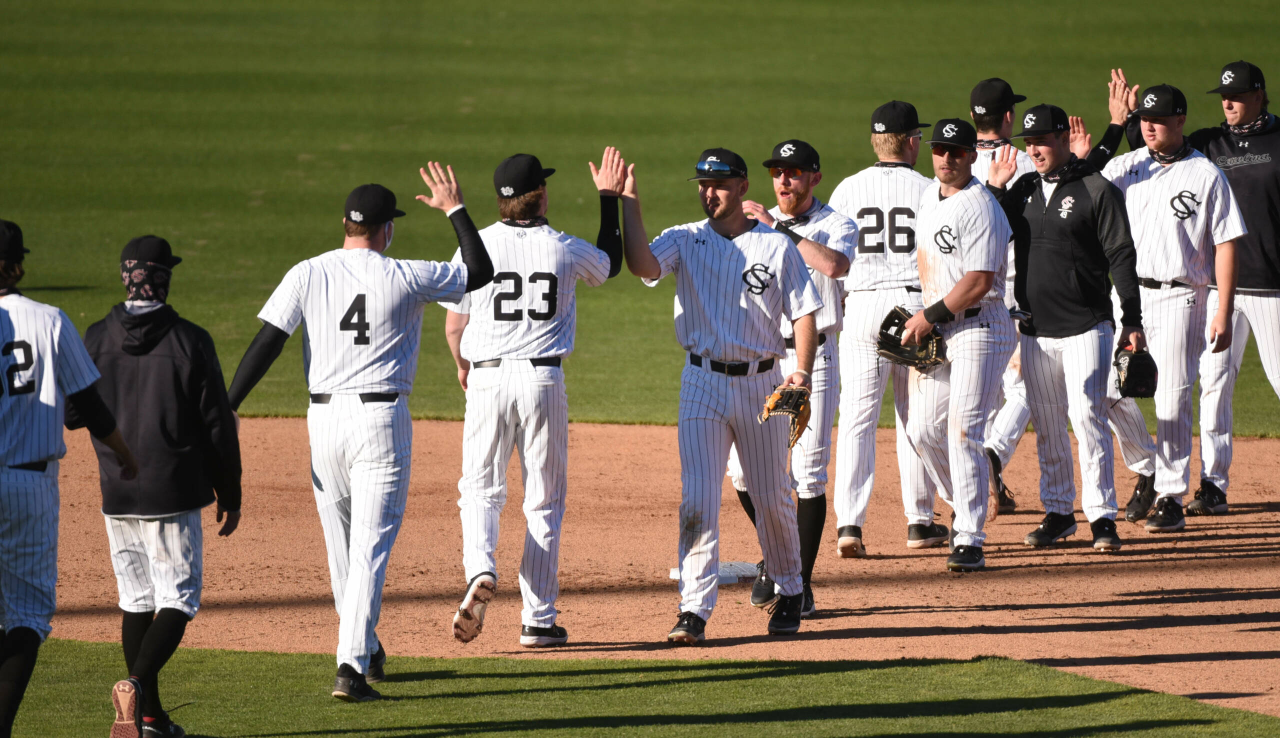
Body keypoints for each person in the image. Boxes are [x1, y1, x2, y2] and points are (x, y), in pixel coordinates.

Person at [226, 172, 494, 701]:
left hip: (322, 422)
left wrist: (229, 404)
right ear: (386, 230)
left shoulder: (307, 272)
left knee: (343, 551)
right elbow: (479, 272)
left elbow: (267, 341)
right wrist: (454, 209)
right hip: (380, 422)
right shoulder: (407, 274)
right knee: (369, 547)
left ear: (346, 225)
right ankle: (349, 667)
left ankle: (366, 647)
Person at [621, 148, 821, 643]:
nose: (710, 193)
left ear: (743, 187)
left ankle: (792, 587)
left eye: (720, 184)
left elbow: (804, 313)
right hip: (701, 383)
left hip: (762, 383)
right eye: (703, 185)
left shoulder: (776, 248)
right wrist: (629, 203)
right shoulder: (684, 239)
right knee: (699, 497)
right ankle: (694, 609)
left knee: (773, 496)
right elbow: (641, 263)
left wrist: (801, 372)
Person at [442, 149, 624, 648]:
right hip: (543, 382)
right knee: (543, 499)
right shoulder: (562, 248)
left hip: (486, 379)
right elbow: (610, 265)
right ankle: (538, 620)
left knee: (479, 488)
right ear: (539, 195)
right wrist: (609, 199)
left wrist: (462, 364)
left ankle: (480, 567)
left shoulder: (473, 247)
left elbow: (455, 321)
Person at [70, 235, 242, 738]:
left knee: (136, 599)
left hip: (116, 492)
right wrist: (228, 492)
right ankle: (135, 685)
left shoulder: (96, 336)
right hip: (173, 492)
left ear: (126, 277)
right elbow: (217, 427)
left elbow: (71, 413)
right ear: (163, 279)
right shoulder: (190, 340)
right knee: (179, 599)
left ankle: (148, 719)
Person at [0, 220, 139, 737]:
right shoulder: (50, 320)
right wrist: (124, 454)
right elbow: (90, 408)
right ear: (17, 266)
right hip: (28, 487)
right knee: (28, 616)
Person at [986, 104, 1144, 552]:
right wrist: (995, 189)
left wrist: (1131, 318)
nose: (1033, 149)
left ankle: (1101, 516)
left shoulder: (1097, 189)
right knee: (1050, 425)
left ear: (1061, 139)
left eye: (1041, 140)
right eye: (1028, 142)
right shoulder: (1023, 190)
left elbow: (1121, 256)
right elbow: (988, 229)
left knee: (1088, 417)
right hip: (1036, 330)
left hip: (1086, 327)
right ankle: (1058, 512)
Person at [1101, 85, 1245, 532]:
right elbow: (1079, 198)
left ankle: (1170, 496)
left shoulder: (1205, 175)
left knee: (1173, 395)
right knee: (1102, 391)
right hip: (1127, 298)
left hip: (1183, 296)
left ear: (1180, 122)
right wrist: (1107, 132)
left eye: (1159, 119)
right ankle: (1147, 465)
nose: (1148, 125)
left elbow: (1226, 243)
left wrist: (1223, 308)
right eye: (1144, 118)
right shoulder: (1125, 167)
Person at [723, 140, 855, 619]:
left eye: (794, 173)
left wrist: (775, 227)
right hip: (761, 360)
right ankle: (779, 557)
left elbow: (835, 265)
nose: (783, 181)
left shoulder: (835, 223)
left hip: (813, 360)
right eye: (777, 172)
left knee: (808, 473)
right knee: (743, 473)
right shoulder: (751, 229)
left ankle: (801, 582)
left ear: (814, 178)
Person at [827, 101, 942, 556]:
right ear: (912, 141)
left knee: (857, 418)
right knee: (914, 416)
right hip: (913, 307)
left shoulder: (847, 189)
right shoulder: (930, 189)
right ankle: (919, 522)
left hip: (861, 307)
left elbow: (832, 261)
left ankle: (849, 526)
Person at [901, 119, 1015, 573]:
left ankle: (969, 535)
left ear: (972, 155)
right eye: (940, 150)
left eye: (956, 151)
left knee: (964, 429)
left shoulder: (982, 206)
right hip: (941, 327)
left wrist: (928, 317)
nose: (946, 158)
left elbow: (979, 281)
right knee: (923, 430)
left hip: (980, 327)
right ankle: (969, 496)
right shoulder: (930, 196)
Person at [1189, 61, 1280, 515]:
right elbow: (1154, 146)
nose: (1228, 102)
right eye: (1224, 95)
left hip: (1273, 288)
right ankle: (1213, 484)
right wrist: (1124, 120)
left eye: (1238, 95)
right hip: (1219, 291)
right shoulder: (1209, 144)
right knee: (1214, 383)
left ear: (1261, 95)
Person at [968, 79, 1036, 513]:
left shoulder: (955, 163)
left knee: (985, 395)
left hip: (965, 296)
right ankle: (991, 454)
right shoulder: (1027, 164)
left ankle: (981, 480)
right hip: (1016, 293)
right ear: (1008, 116)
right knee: (1029, 389)